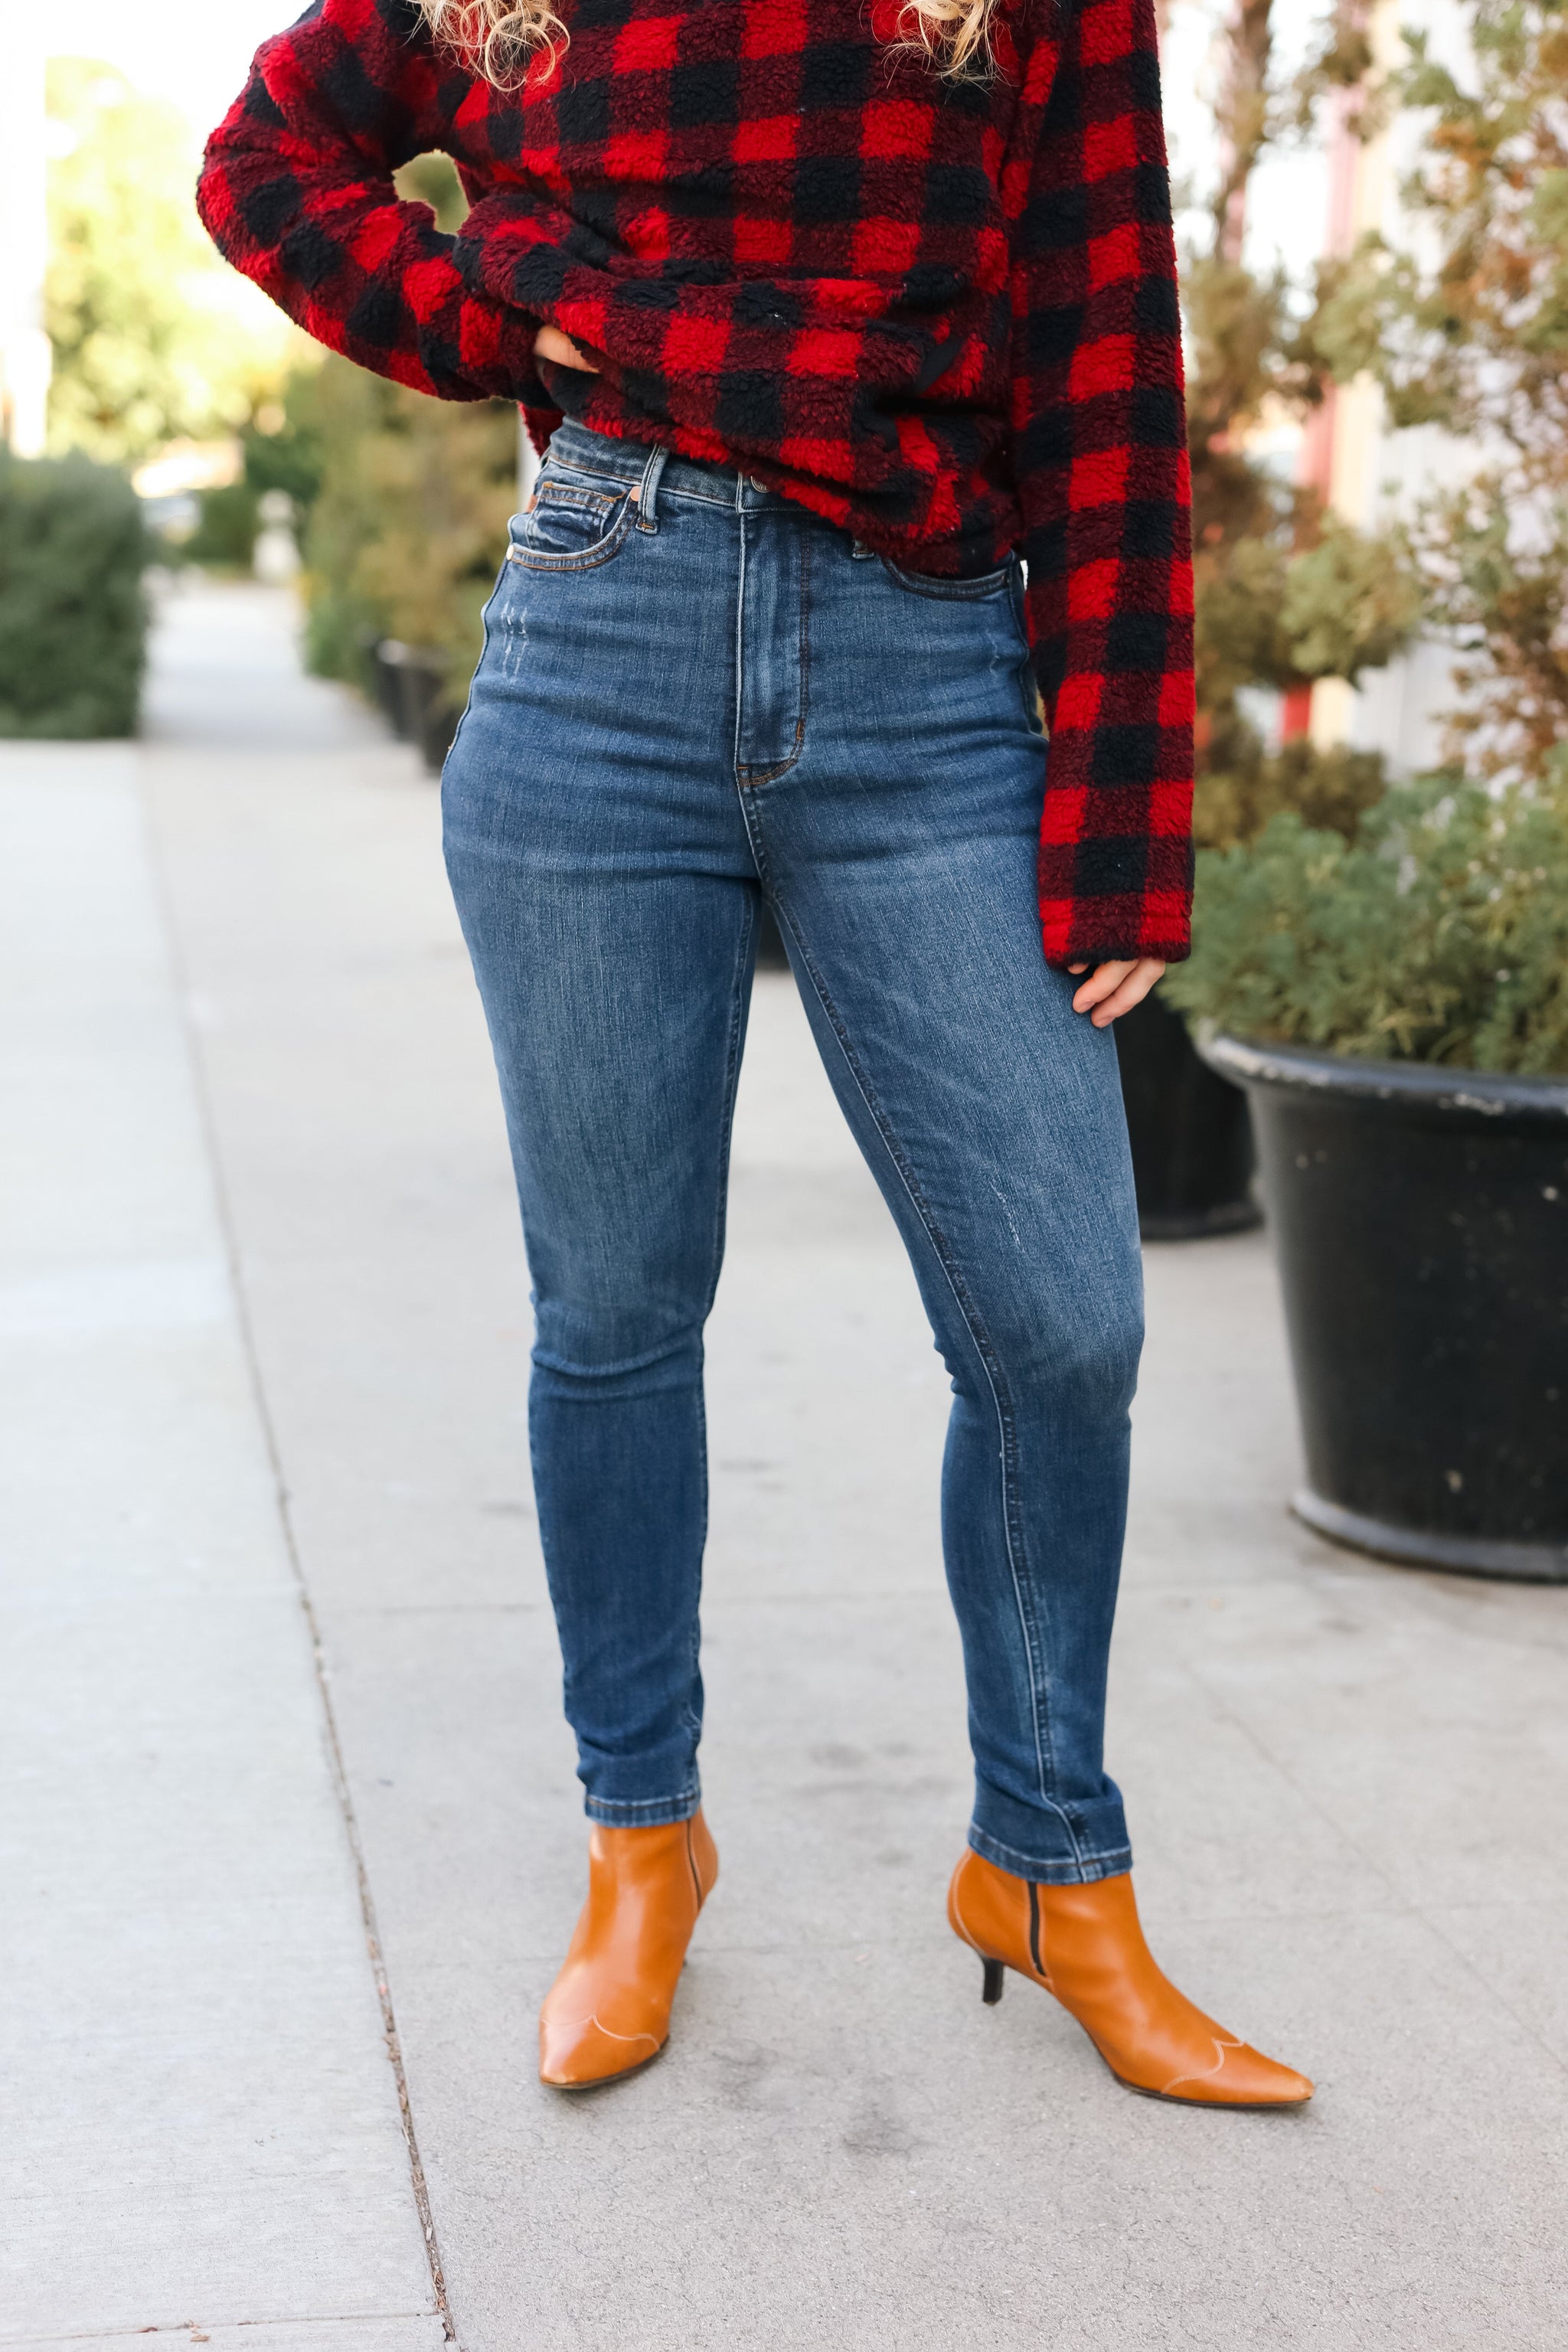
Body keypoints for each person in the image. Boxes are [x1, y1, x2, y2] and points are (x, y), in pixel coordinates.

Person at [199, 0, 1311, 2106]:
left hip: (925, 668)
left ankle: (1048, 1866)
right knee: (616, 1311)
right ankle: (643, 1840)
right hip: (595, 645)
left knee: (1063, 1324)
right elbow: (265, 163)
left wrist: (1125, 812)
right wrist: (500, 330)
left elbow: (1103, 361)